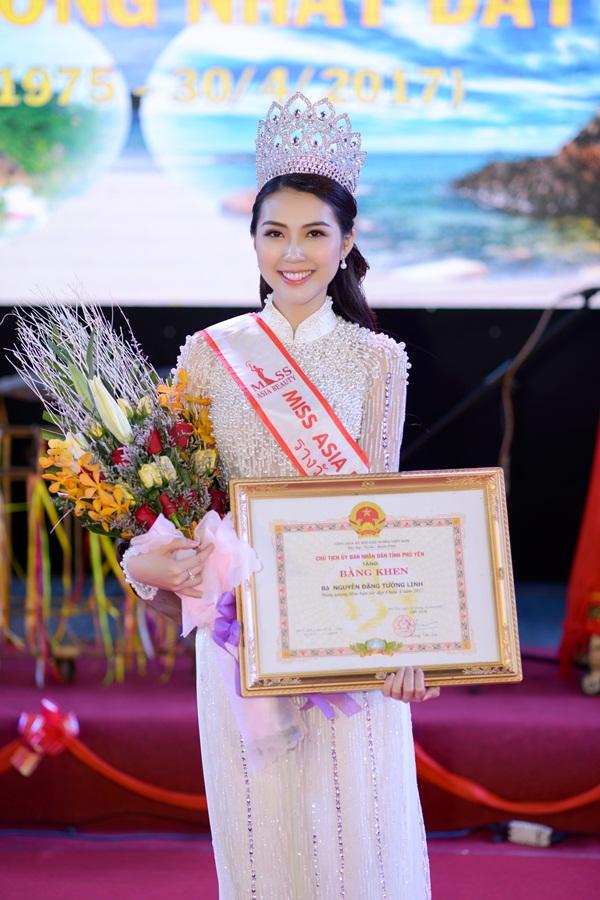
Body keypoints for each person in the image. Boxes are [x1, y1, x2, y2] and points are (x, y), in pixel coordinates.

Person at [123, 92, 439, 899]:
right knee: (261, 837)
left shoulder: (378, 360)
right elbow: (179, 497)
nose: (292, 253)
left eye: (314, 233)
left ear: (347, 241)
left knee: (357, 831)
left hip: (348, 624)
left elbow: (384, 515)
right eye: (274, 233)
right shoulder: (209, 353)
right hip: (240, 630)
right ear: (254, 239)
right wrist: (167, 558)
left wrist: (409, 643)